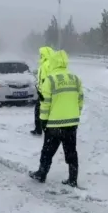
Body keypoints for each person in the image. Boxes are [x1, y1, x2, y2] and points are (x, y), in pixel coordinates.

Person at [29, 50, 84, 187]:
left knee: (47, 151)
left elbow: (45, 104)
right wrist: (75, 115)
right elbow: (80, 100)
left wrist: (43, 122)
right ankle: (73, 179)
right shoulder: (75, 78)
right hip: (72, 123)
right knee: (71, 152)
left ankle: (41, 174)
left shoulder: (50, 80)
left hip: (54, 124)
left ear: (53, 61)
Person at [31, 45, 54, 136]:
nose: (39, 56)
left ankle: (41, 130)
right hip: (43, 92)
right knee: (42, 112)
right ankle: (41, 129)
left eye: (41, 54)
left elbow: (49, 78)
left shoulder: (47, 64)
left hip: (46, 93)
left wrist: (44, 90)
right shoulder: (45, 64)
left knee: (40, 112)